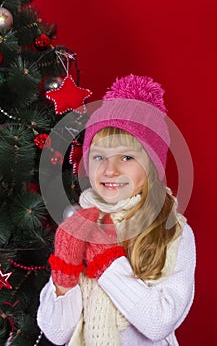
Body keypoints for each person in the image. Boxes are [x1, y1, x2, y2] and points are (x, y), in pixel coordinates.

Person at [37, 74, 196, 346]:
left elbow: (158, 321)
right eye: (99, 157)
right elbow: (56, 332)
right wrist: (66, 266)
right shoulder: (79, 225)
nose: (110, 170)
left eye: (126, 157)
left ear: (151, 166)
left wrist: (106, 260)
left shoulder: (173, 231)